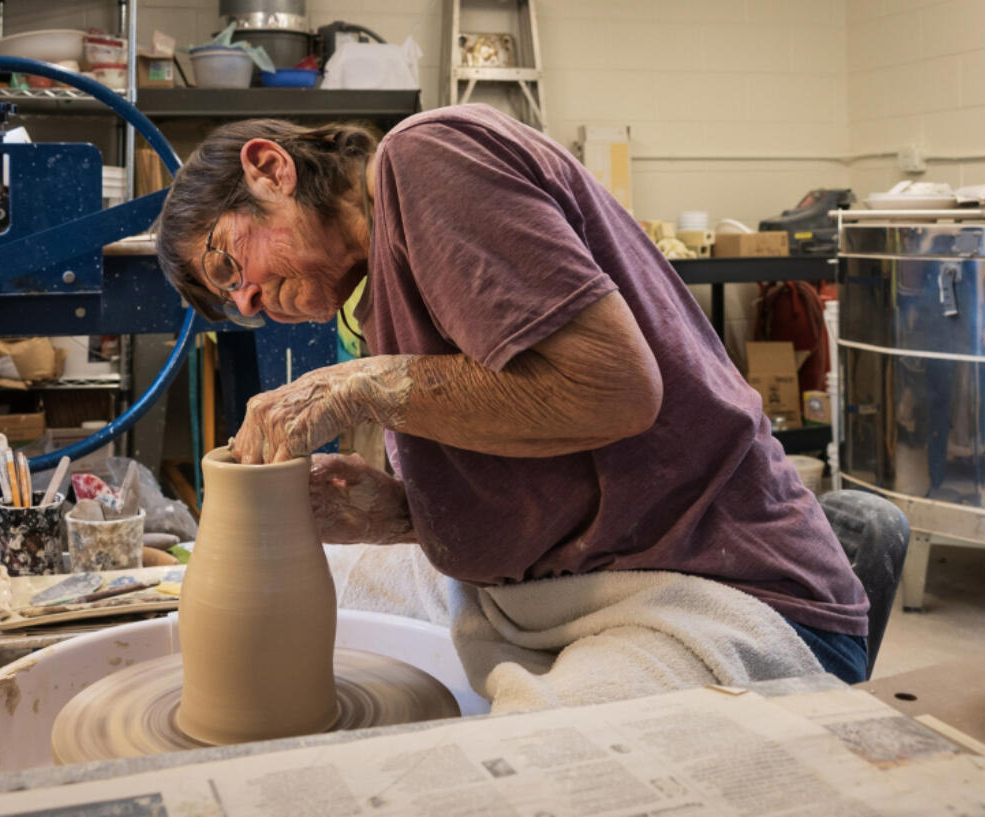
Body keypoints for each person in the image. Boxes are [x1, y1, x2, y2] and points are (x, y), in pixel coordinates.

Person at [155, 103, 872, 690]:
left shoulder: (425, 159)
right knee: (295, 589)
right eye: (230, 300)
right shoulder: (378, 293)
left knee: (536, 761)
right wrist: (400, 512)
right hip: (578, 577)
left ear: (271, 169)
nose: (247, 295)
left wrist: (359, 385)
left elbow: (616, 392)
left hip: (718, 584)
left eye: (227, 259)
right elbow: (545, 455)